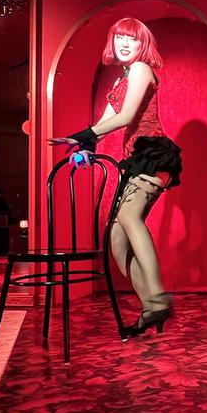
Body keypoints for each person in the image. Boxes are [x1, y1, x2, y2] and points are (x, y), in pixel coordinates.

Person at [50, 17, 183, 337]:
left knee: (128, 215)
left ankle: (159, 299)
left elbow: (125, 118)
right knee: (116, 239)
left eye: (132, 39)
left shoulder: (140, 69)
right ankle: (152, 306)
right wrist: (81, 145)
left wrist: (80, 135)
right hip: (135, 160)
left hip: (153, 154)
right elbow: (104, 122)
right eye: (119, 37)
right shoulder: (118, 82)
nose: (124, 43)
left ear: (143, 45)